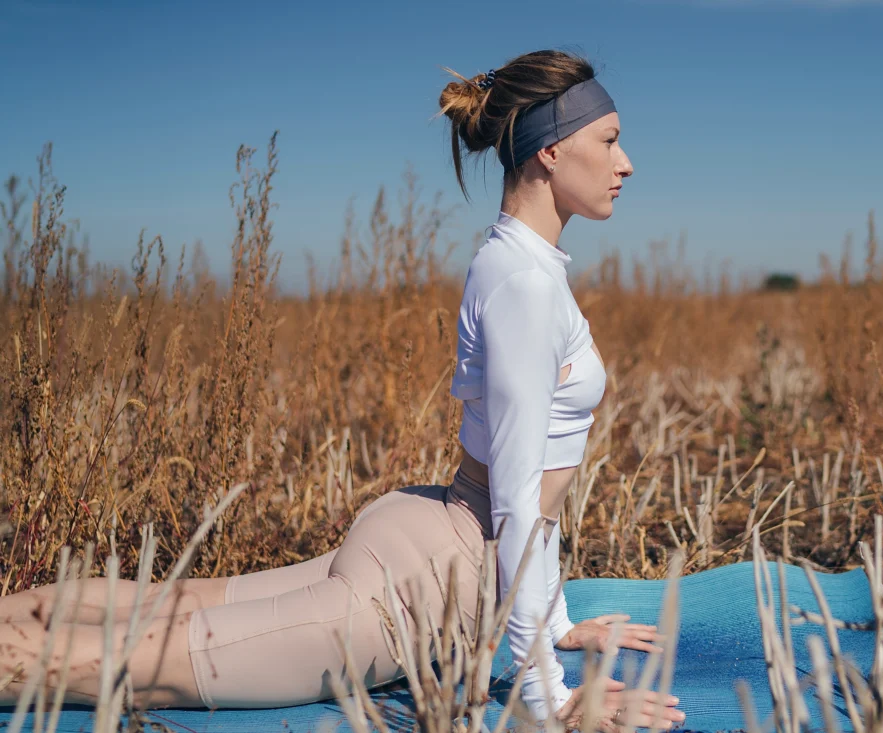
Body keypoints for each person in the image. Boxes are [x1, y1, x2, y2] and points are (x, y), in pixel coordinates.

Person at [0, 49, 685, 732]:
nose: (625, 163)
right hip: (434, 581)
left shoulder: (517, 262)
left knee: (172, 604)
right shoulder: (527, 286)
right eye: (610, 140)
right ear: (551, 151)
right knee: (132, 661)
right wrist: (552, 700)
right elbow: (516, 494)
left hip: (431, 531)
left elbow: (532, 487)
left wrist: (558, 622)